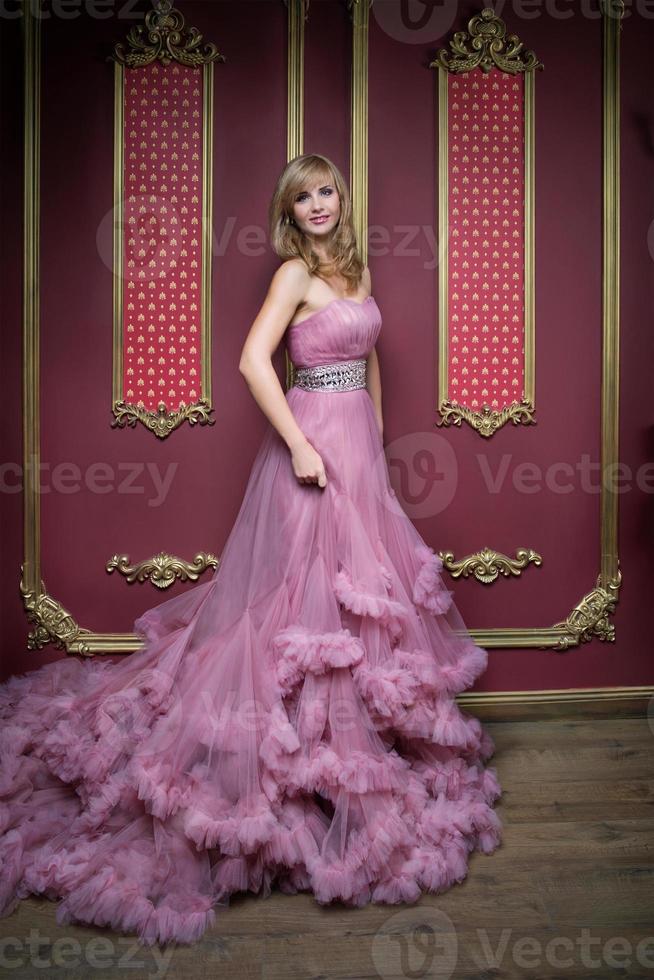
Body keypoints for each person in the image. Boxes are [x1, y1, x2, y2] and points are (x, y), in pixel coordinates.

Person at [0, 153, 502, 947]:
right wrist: (302, 445)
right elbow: (249, 361)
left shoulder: (354, 268)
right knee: (293, 602)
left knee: (355, 594)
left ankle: (343, 756)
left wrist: (373, 439)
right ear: (288, 211)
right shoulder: (294, 276)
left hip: (358, 451)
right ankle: (291, 763)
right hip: (308, 450)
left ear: (342, 196)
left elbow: (368, 360)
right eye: (301, 198)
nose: (316, 206)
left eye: (325, 191)